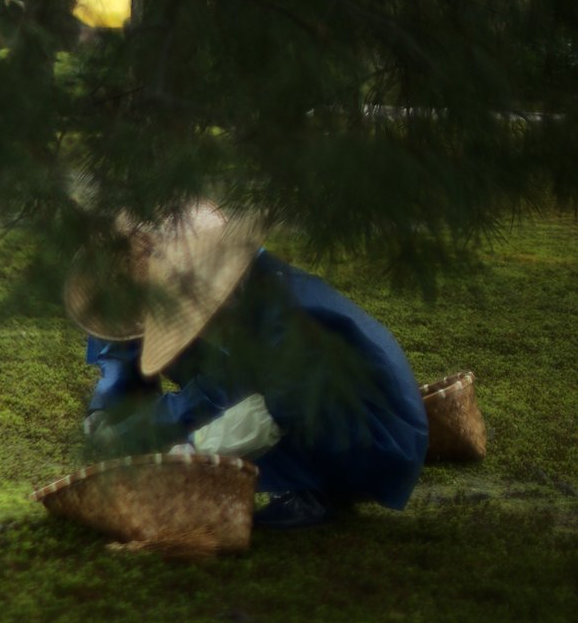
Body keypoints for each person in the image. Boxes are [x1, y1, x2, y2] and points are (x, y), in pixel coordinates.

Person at [66, 203, 429, 529]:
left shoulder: (285, 314)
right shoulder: (255, 299)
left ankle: (317, 489)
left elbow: (274, 410)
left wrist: (192, 453)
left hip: (377, 438)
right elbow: (212, 389)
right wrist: (128, 428)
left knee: (265, 415)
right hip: (334, 410)